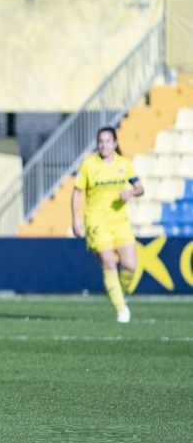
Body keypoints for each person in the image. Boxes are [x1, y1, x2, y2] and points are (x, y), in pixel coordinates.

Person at [71, 126, 144, 323]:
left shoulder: (124, 165)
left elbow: (139, 188)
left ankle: (118, 293)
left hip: (120, 222)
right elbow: (77, 191)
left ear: (115, 143)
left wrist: (131, 192)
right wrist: (76, 218)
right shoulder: (88, 166)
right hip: (96, 221)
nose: (104, 145)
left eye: (108, 141)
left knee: (130, 265)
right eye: (101, 141)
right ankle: (121, 310)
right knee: (109, 262)